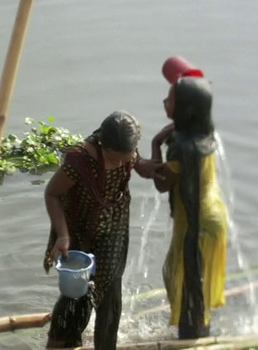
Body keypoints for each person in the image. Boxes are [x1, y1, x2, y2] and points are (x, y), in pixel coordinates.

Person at [42, 110, 161, 348]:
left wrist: (156, 161)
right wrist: (63, 235)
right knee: (77, 291)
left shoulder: (126, 150)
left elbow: (142, 166)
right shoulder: (79, 162)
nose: (117, 164)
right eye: (112, 157)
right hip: (78, 227)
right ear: (102, 145)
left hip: (113, 226)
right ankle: (63, 340)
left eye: (124, 158)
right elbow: (52, 193)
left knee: (109, 292)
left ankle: (106, 345)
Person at [150, 75, 228, 339]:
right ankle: (200, 334)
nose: (164, 101)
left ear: (185, 109)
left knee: (187, 287)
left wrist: (154, 146)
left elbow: (162, 183)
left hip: (198, 224)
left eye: (170, 99)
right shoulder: (204, 133)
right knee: (191, 284)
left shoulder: (180, 146)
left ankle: (193, 340)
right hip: (213, 216)